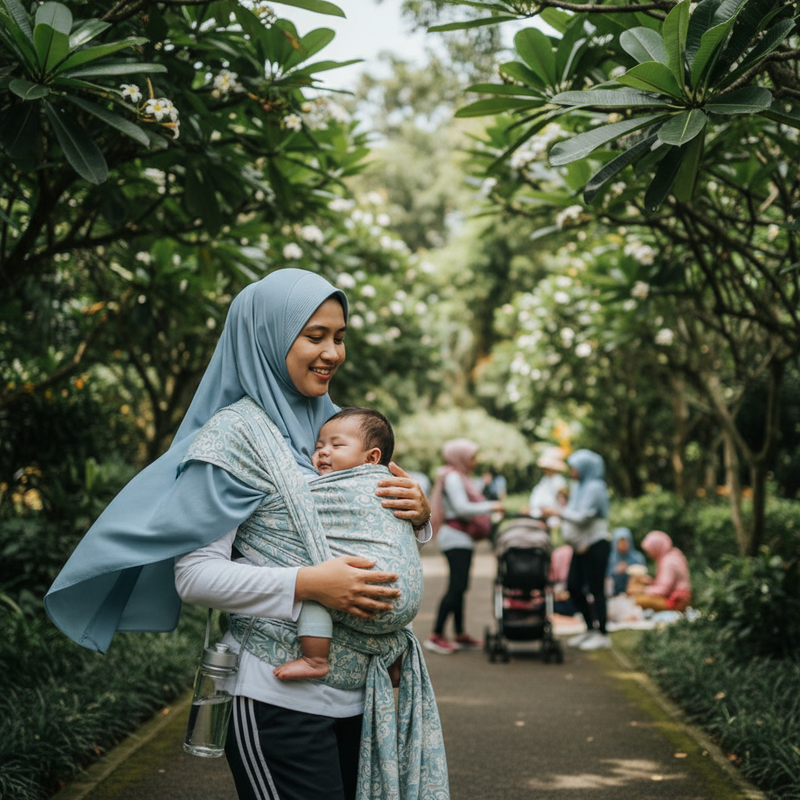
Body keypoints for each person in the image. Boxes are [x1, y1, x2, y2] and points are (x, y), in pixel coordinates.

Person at [45, 269, 448, 800]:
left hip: (364, 698)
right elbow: (193, 577)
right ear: (268, 338)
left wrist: (417, 516)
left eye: (340, 337)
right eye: (314, 336)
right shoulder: (235, 439)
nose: (333, 353)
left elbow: (364, 532)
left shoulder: (338, 427)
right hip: (279, 701)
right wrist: (308, 584)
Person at [274, 405, 413, 682]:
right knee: (401, 581)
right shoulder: (384, 482)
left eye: (337, 445)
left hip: (365, 570)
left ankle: (315, 659)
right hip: (389, 582)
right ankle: (395, 658)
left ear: (372, 458)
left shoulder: (383, 487)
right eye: (319, 446)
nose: (323, 452)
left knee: (315, 589)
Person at [425, 439, 504, 655]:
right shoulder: (452, 477)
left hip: (462, 539)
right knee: (456, 586)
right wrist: (491, 505)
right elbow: (461, 508)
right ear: (460, 457)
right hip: (455, 538)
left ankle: (459, 633)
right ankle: (436, 635)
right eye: (472, 457)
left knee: (461, 586)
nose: (475, 462)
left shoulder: (459, 477)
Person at [541, 449, 611, 651]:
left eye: (574, 468)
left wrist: (557, 512)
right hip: (579, 547)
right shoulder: (579, 486)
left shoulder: (595, 487)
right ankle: (590, 628)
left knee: (596, 590)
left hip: (595, 545)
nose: (571, 472)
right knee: (573, 586)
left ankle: (602, 633)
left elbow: (581, 517)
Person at [627, 530, 692, 612]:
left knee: (638, 600)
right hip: (676, 598)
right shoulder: (672, 555)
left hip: (675, 602)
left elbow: (664, 590)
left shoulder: (668, 562)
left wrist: (643, 590)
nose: (649, 554)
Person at [526, 446, 569, 529]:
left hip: (551, 517)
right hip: (540, 513)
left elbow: (563, 504)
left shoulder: (559, 481)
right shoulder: (545, 480)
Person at [606, 527, 646, 597]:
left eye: (625, 542)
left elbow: (643, 575)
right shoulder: (610, 558)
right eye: (620, 542)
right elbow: (604, 575)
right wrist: (616, 571)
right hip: (613, 594)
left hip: (634, 594)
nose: (623, 545)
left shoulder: (637, 557)